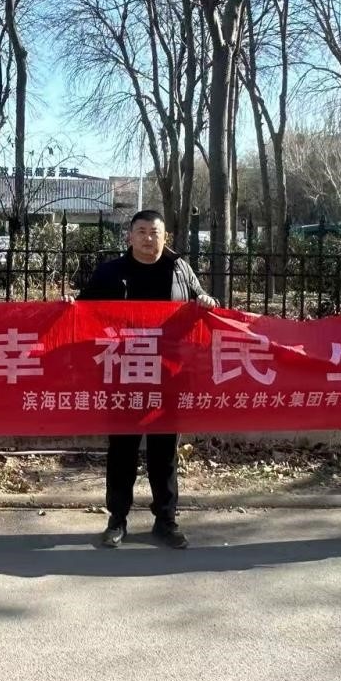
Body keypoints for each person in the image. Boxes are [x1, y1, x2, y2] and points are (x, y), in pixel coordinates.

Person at [76, 209, 217, 549]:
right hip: (123, 375)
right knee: (122, 451)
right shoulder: (111, 272)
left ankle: (166, 521)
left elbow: (202, 301)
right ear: (129, 236)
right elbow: (82, 311)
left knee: (164, 453)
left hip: (168, 377)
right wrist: (69, 304)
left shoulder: (180, 269)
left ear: (165, 236)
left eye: (154, 232)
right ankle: (117, 520)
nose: (148, 238)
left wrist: (206, 301)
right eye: (141, 231)